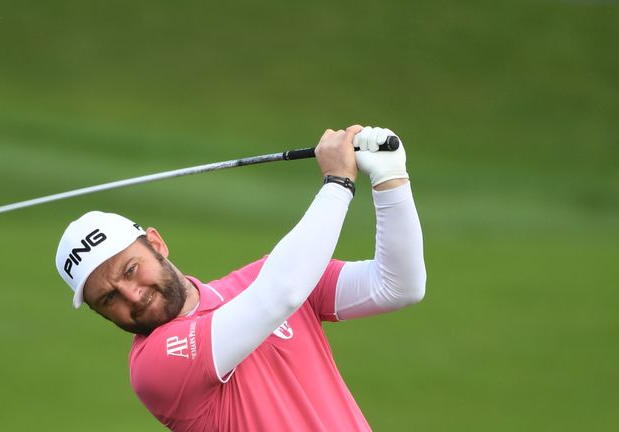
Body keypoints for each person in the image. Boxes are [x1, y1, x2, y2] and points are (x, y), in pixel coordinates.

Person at [55, 125, 426, 431]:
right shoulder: (155, 367)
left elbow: (396, 286)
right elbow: (279, 295)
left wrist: (390, 177)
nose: (132, 296)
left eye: (131, 270)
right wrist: (337, 183)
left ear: (157, 243)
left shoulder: (265, 279)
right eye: (108, 298)